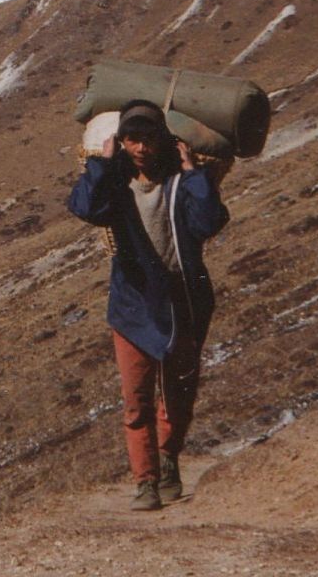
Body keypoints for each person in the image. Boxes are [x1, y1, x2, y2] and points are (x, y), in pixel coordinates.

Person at [67, 99, 229, 511]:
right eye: (132, 139)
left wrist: (193, 173)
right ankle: (146, 481)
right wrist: (101, 165)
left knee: (179, 392)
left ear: (164, 140)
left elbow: (209, 221)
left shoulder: (180, 182)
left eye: (148, 138)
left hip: (183, 301)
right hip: (134, 304)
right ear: (122, 142)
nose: (140, 148)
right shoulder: (116, 185)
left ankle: (169, 458)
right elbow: (85, 207)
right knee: (136, 398)